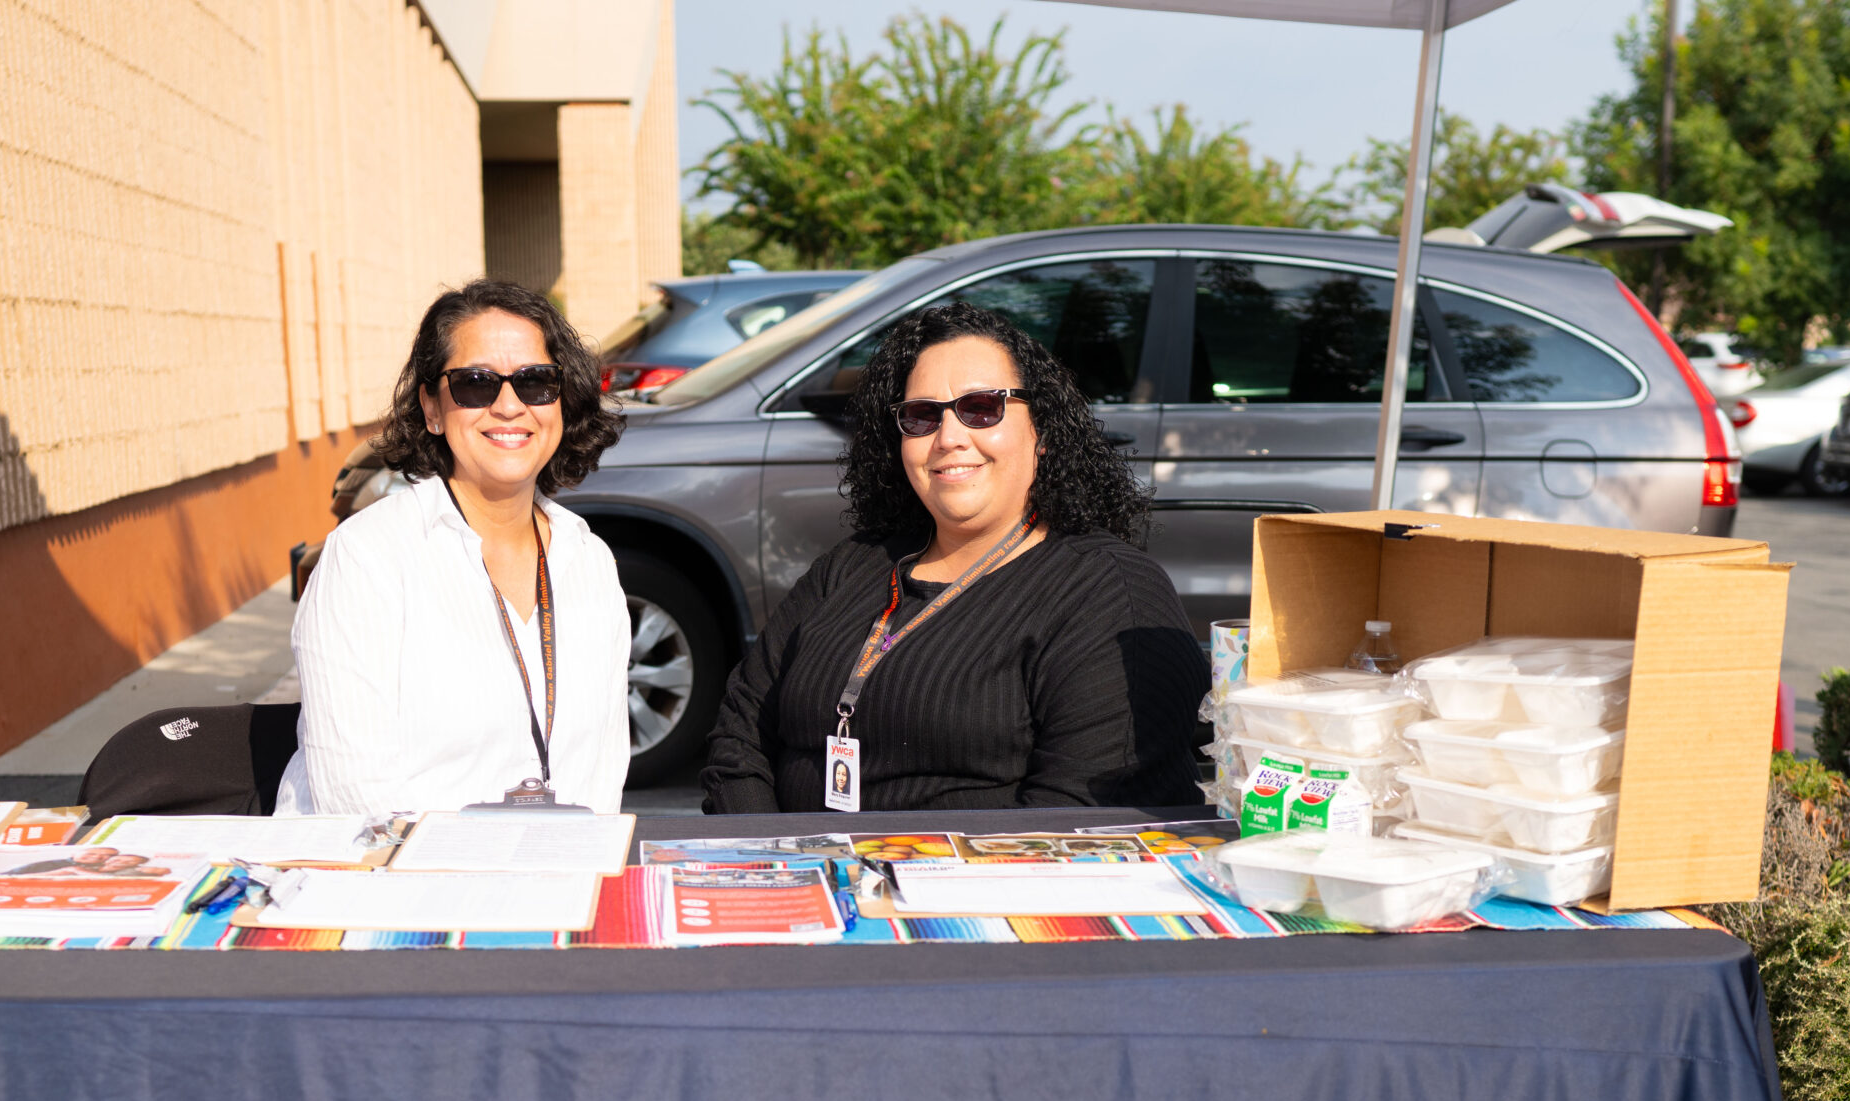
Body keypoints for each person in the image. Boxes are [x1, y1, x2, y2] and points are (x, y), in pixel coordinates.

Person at [701, 302, 1208, 813]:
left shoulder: (1108, 591)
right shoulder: (851, 565)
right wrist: (765, 850)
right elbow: (740, 738)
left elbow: (1078, 819)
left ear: (1044, 432)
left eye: (982, 408)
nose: (948, 438)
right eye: (922, 416)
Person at [278, 280, 631, 815]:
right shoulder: (367, 557)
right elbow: (354, 802)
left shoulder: (590, 561)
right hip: (387, 864)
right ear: (432, 408)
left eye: (535, 381)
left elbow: (600, 775)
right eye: (475, 384)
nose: (509, 406)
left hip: (552, 861)